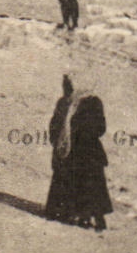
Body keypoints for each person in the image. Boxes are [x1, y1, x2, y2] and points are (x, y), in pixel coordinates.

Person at [47, 92, 111, 230]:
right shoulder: (65, 102)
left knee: (91, 184)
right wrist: (58, 142)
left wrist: (84, 133)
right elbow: (55, 124)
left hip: (88, 151)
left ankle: (95, 217)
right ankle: (77, 215)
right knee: (77, 183)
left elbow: (100, 127)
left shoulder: (92, 102)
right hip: (71, 151)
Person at [42, 75, 73, 222]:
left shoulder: (63, 102)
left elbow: (53, 123)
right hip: (69, 148)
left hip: (62, 147)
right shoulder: (73, 104)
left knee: (59, 179)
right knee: (66, 180)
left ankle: (53, 210)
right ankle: (63, 213)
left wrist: (54, 139)